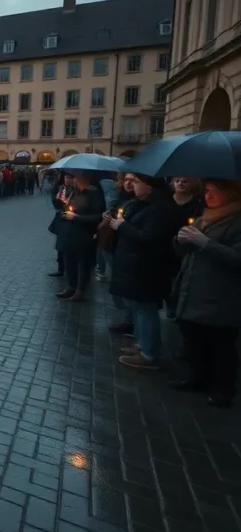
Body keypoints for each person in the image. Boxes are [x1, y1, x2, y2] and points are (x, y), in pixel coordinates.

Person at [172, 179, 241, 408]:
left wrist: (204, 243)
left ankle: (222, 390)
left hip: (221, 293)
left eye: (214, 192)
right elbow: (183, 251)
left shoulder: (236, 221)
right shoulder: (205, 216)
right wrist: (180, 240)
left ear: (229, 194)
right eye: (207, 191)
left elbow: (236, 258)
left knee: (220, 346)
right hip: (194, 287)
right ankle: (198, 378)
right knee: (195, 338)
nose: (208, 196)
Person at [105, 174, 176, 370]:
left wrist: (122, 225)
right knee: (138, 307)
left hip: (147, 267)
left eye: (137, 182)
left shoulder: (160, 209)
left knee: (146, 309)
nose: (133, 185)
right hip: (134, 264)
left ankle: (149, 353)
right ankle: (143, 344)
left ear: (150, 186)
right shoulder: (142, 203)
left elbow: (148, 237)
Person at [55, 173, 106, 301]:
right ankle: (71, 286)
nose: (74, 181)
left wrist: (77, 218)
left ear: (86, 180)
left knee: (82, 263)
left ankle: (80, 290)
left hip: (84, 235)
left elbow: (98, 216)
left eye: (77, 179)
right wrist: (64, 210)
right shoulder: (73, 192)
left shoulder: (94, 194)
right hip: (69, 233)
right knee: (69, 261)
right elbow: (66, 207)